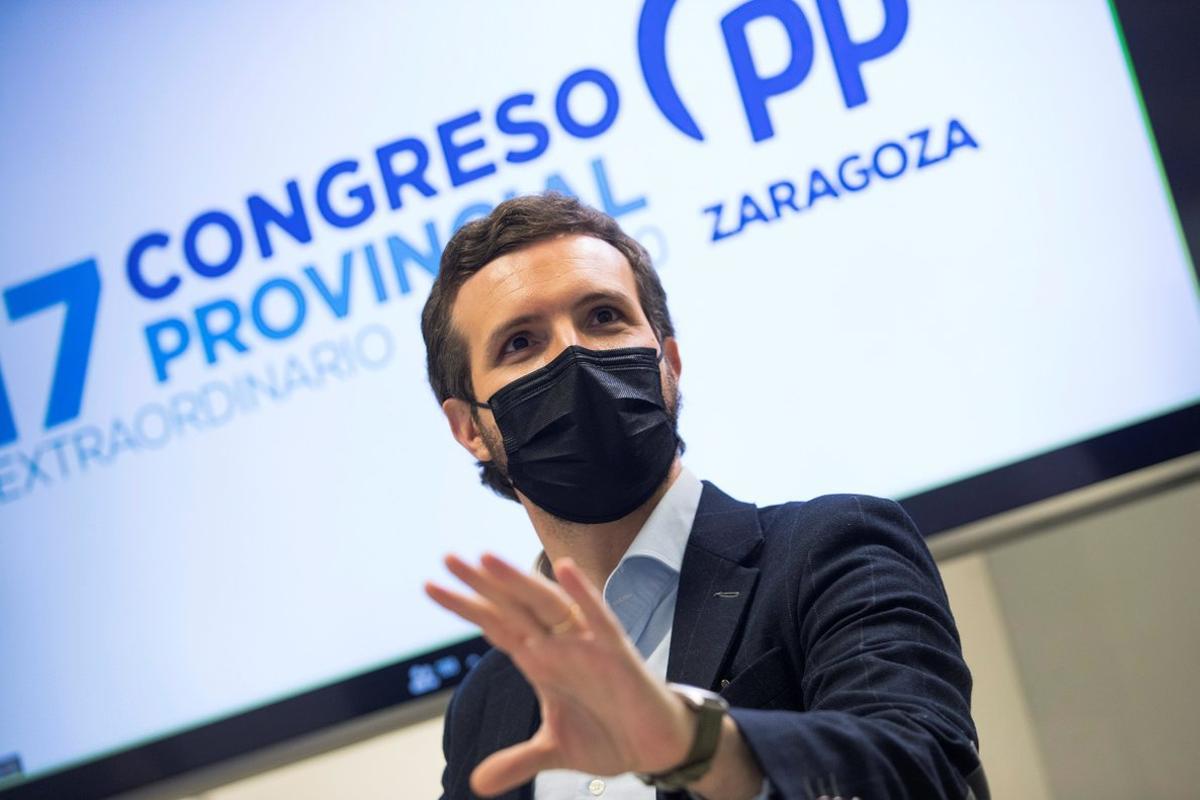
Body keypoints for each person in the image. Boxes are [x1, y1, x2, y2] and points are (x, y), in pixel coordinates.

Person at [421, 193, 988, 800]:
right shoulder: (486, 703)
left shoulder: (832, 549)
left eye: (603, 317)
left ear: (670, 361)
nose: (573, 355)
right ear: (469, 429)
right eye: (520, 343)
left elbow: (927, 771)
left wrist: (698, 745)